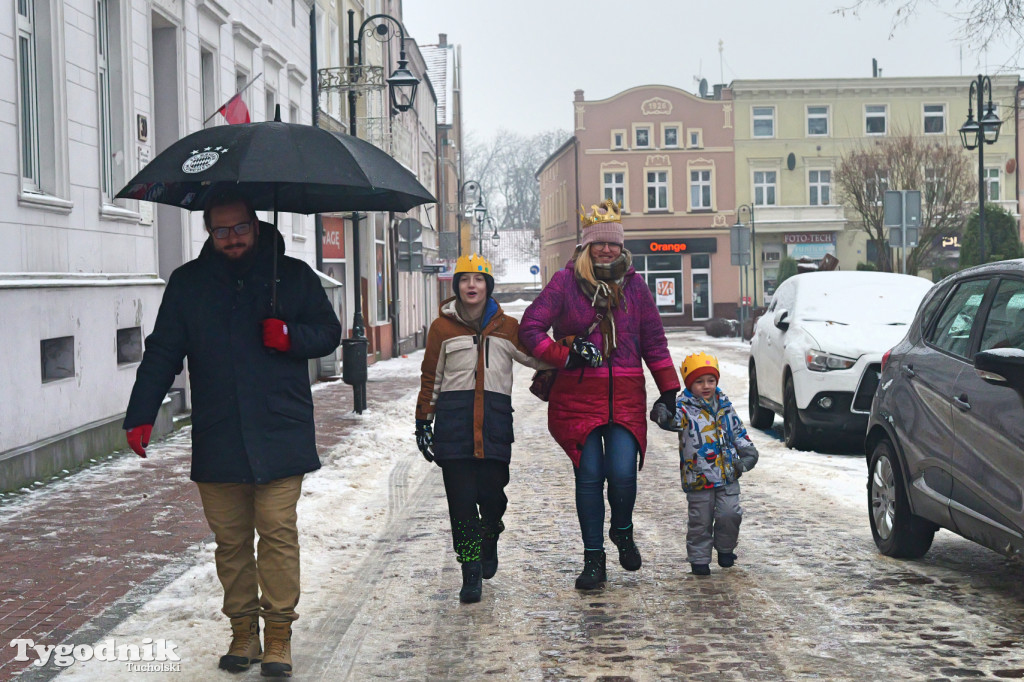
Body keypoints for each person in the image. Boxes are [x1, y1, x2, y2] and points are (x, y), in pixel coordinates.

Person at [122, 185, 341, 677]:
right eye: (221, 230)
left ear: (256, 224)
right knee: (231, 541)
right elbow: (162, 351)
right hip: (219, 430)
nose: (232, 238)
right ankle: (243, 631)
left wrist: (290, 336)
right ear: (208, 232)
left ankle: (278, 634)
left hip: (280, 427)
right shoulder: (189, 283)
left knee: (278, 532)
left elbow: (330, 331)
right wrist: (141, 412)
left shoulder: (292, 277)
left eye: (240, 227)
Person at [518, 200, 680, 590]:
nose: (606, 250)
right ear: (586, 246)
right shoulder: (565, 283)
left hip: (625, 394)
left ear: (621, 247)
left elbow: (654, 342)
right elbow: (530, 329)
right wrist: (566, 354)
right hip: (576, 396)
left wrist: (670, 391)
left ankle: (621, 530)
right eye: (599, 244)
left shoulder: (636, 287)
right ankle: (594, 561)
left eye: (613, 244)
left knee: (623, 474)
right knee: (589, 477)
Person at [415, 254, 548, 603]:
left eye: (478, 279)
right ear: (456, 285)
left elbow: (538, 356)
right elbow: (431, 377)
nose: (470, 285)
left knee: (492, 497)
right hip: (453, 426)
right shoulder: (441, 328)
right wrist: (422, 422)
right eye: (464, 279)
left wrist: (571, 349)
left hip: (494, 426)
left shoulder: (506, 327)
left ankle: (490, 534)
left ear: (488, 286)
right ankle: (470, 569)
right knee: (461, 504)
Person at [651, 352, 759, 576]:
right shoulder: (684, 407)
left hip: (728, 472)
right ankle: (699, 559)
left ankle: (726, 548)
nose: (706, 386)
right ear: (690, 383)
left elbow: (737, 431)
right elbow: (673, 421)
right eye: (699, 382)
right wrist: (663, 412)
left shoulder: (725, 406)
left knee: (730, 514)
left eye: (710, 380)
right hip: (698, 475)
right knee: (700, 520)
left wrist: (747, 453)